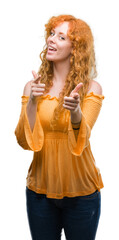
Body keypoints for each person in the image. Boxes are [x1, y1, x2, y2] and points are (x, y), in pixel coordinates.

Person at [15, 14, 104, 240]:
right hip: (39, 193)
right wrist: (33, 102)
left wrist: (75, 112)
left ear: (76, 48)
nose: (52, 40)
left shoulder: (91, 88)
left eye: (62, 37)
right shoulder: (33, 87)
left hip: (82, 193)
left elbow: (81, 141)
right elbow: (25, 141)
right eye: (52, 34)